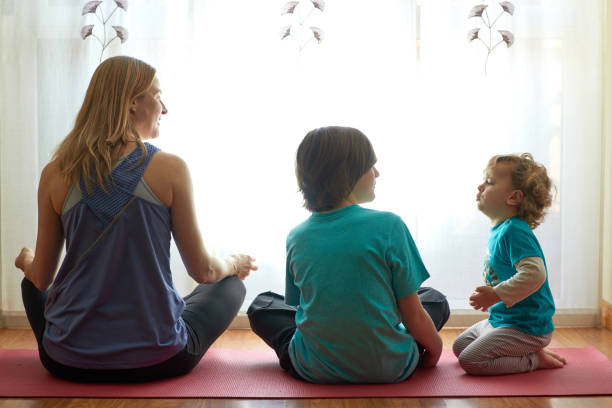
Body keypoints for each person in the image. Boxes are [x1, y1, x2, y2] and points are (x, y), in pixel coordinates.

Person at [14, 56, 257, 383]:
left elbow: (42, 279)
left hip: (66, 360)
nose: (164, 108)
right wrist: (235, 261)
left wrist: (27, 261)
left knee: (29, 284)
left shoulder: (55, 172)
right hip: (159, 359)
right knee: (229, 282)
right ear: (131, 103)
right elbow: (205, 270)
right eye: (158, 96)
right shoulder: (171, 169)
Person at [247, 126, 449, 384]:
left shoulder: (297, 236)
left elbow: (302, 307)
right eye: (371, 166)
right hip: (392, 368)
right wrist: (434, 352)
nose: (377, 173)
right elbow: (413, 314)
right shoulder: (390, 225)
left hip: (313, 368)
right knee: (435, 300)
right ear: (349, 172)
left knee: (262, 304)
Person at [452, 153, 566, 375]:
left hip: (526, 327)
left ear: (513, 197)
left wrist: (495, 294)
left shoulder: (515, 231)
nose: (480, 186)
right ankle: (529, 353)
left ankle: (533, 359)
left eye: (490, 182)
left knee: (471, 361)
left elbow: (535, 274)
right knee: (459, 347)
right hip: (503, 320)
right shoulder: (501, 230)